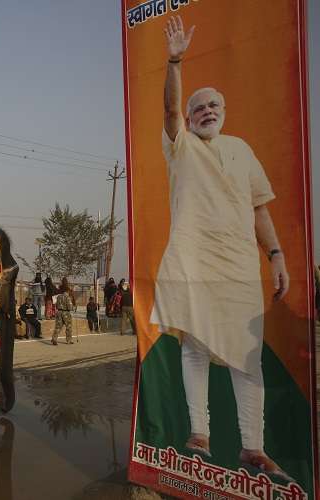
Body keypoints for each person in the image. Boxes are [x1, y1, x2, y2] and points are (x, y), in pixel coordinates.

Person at [150, 17, 290, 479]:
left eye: (213, 105)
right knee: (195, 348)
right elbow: (169, 113)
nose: (206, 111)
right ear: (189, 120)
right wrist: (174, 62)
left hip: (239, 266)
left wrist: (276, 255)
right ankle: (200, 434)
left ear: (223, 110)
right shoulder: (181, 147)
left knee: (246, 358)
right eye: (198, 108)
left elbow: (259, 210)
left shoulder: (242, 150)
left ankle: (253, 448)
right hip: (193, 260)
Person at [52, 277, 75, 345]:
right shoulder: (67, 297)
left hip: (59, 312)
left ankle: (54, 338)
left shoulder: (58, 296)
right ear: (67, 291)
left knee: (58, 327)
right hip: (66, 313)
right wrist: (73, 308)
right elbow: (70, 306)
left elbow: (56, 305)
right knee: (68, 327)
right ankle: (69, 340)